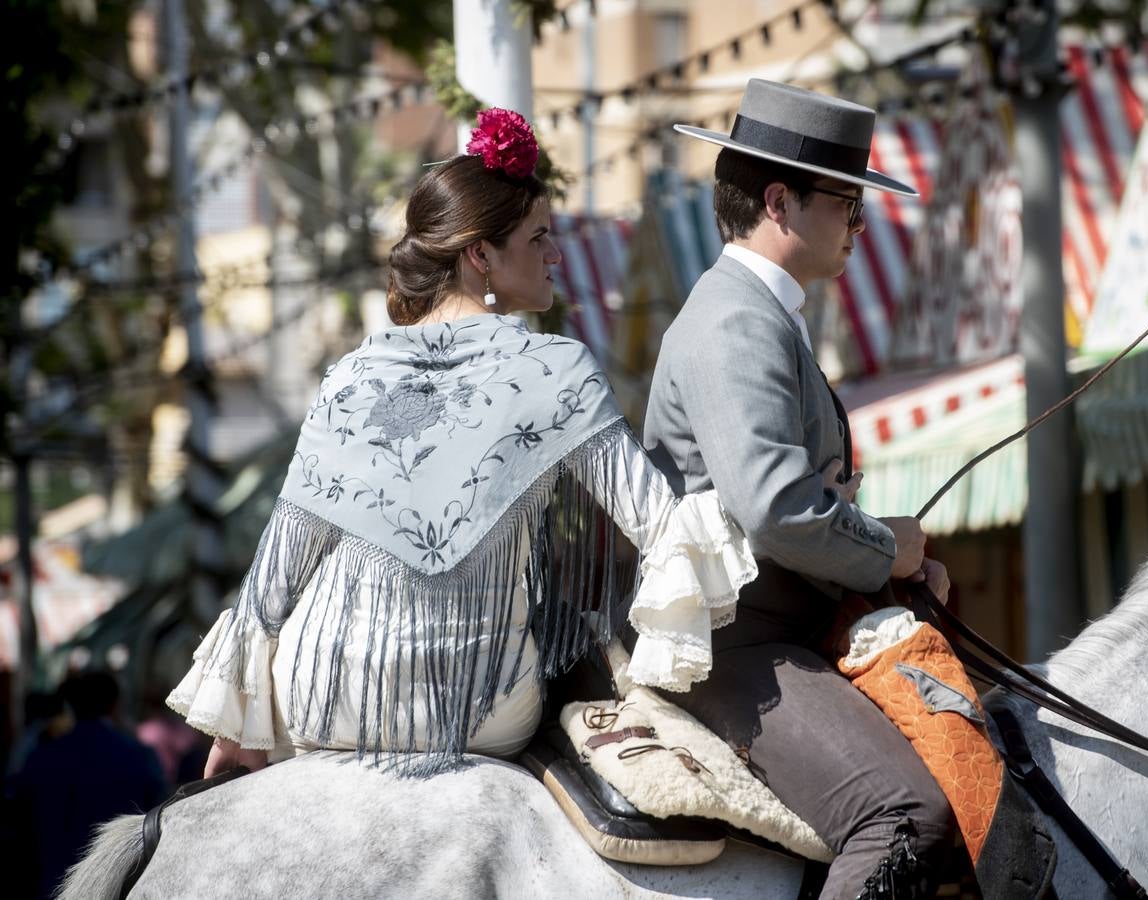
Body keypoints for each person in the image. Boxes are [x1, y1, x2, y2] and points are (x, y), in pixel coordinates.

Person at [168, 109, 757, 780]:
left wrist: (234, 725)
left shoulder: (352, 373)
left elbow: (280, 566)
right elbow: (660, 526)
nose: (556, 256)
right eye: (539, 238)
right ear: (481, 255)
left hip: (320, 697)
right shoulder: (556, 368)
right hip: (475, 706)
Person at [643, 79, 956, 900]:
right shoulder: (738, 320)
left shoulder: (760, 313)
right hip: (742, 642)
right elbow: (778, 509)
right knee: (902, 814)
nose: (858, 225)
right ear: (779, 201)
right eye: (847, 203)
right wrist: (891, 547)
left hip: (778, 626)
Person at [11, 671, 166, 899]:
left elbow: (20, 827)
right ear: (115, 704)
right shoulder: (138, 756)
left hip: (52, 887)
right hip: (119, 888)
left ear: (71, 706)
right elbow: (158, 820)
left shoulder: (41, 758)